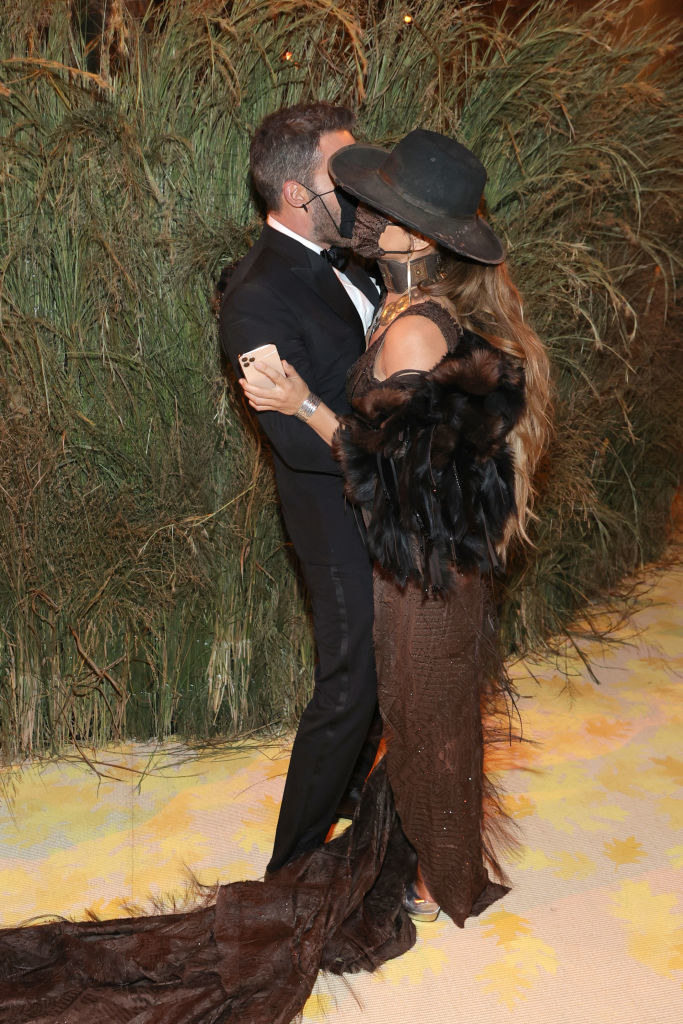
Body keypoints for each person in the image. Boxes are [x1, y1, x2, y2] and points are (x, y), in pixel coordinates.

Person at [240, 128, 551, 922]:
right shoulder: (403, 303)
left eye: (381, 206)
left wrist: (299, 402)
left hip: (423, 575)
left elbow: (393, 469)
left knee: (426, 724)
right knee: (425, 715)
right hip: (427, 564)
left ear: (419, 235)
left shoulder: (411, 325)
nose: (363, 214)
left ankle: (446, 881)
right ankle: (425, 863)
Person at [219, 102, 383, 873]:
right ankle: (285, 875)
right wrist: (391, 452)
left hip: (390, 499)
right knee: (348, 684)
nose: (355, 189)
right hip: (334, 511)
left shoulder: (357, 253)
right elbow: (291, 435)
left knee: (387, 674)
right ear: (292, 193)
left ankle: (359, 811)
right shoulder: (254, 294)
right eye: (337, 174)